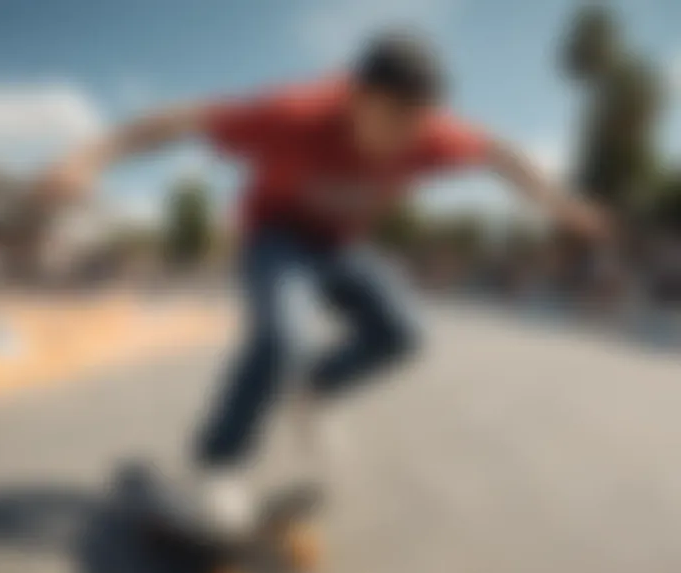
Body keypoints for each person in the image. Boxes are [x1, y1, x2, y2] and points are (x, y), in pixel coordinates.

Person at [34, 31, 610, 536]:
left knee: (403, 333)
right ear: (354, 96)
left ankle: (316, 392)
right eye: (387, 119)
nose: (396, 140)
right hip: (275, 238)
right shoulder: (295, 113)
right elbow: (178, 120)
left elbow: (501, 155)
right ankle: (216, 469)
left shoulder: (431, 135)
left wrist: (557, 203)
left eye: (412, 125)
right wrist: (89, 156)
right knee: (285, 337)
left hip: (341, 247)